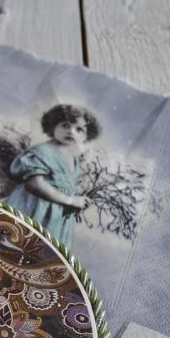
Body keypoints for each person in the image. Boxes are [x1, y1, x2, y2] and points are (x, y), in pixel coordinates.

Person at [6, 104, 101, 251]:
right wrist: (70, 200)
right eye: (65, 125)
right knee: (19, 247)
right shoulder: (42, 151)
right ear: (53, 126)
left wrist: (74, 204)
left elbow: (64, 188)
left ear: (86, 135)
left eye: (79, 129)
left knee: (44, 253)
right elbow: (34, 184)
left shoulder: (73, 159)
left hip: (55, 218)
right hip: (33, 209)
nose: (71, 131)